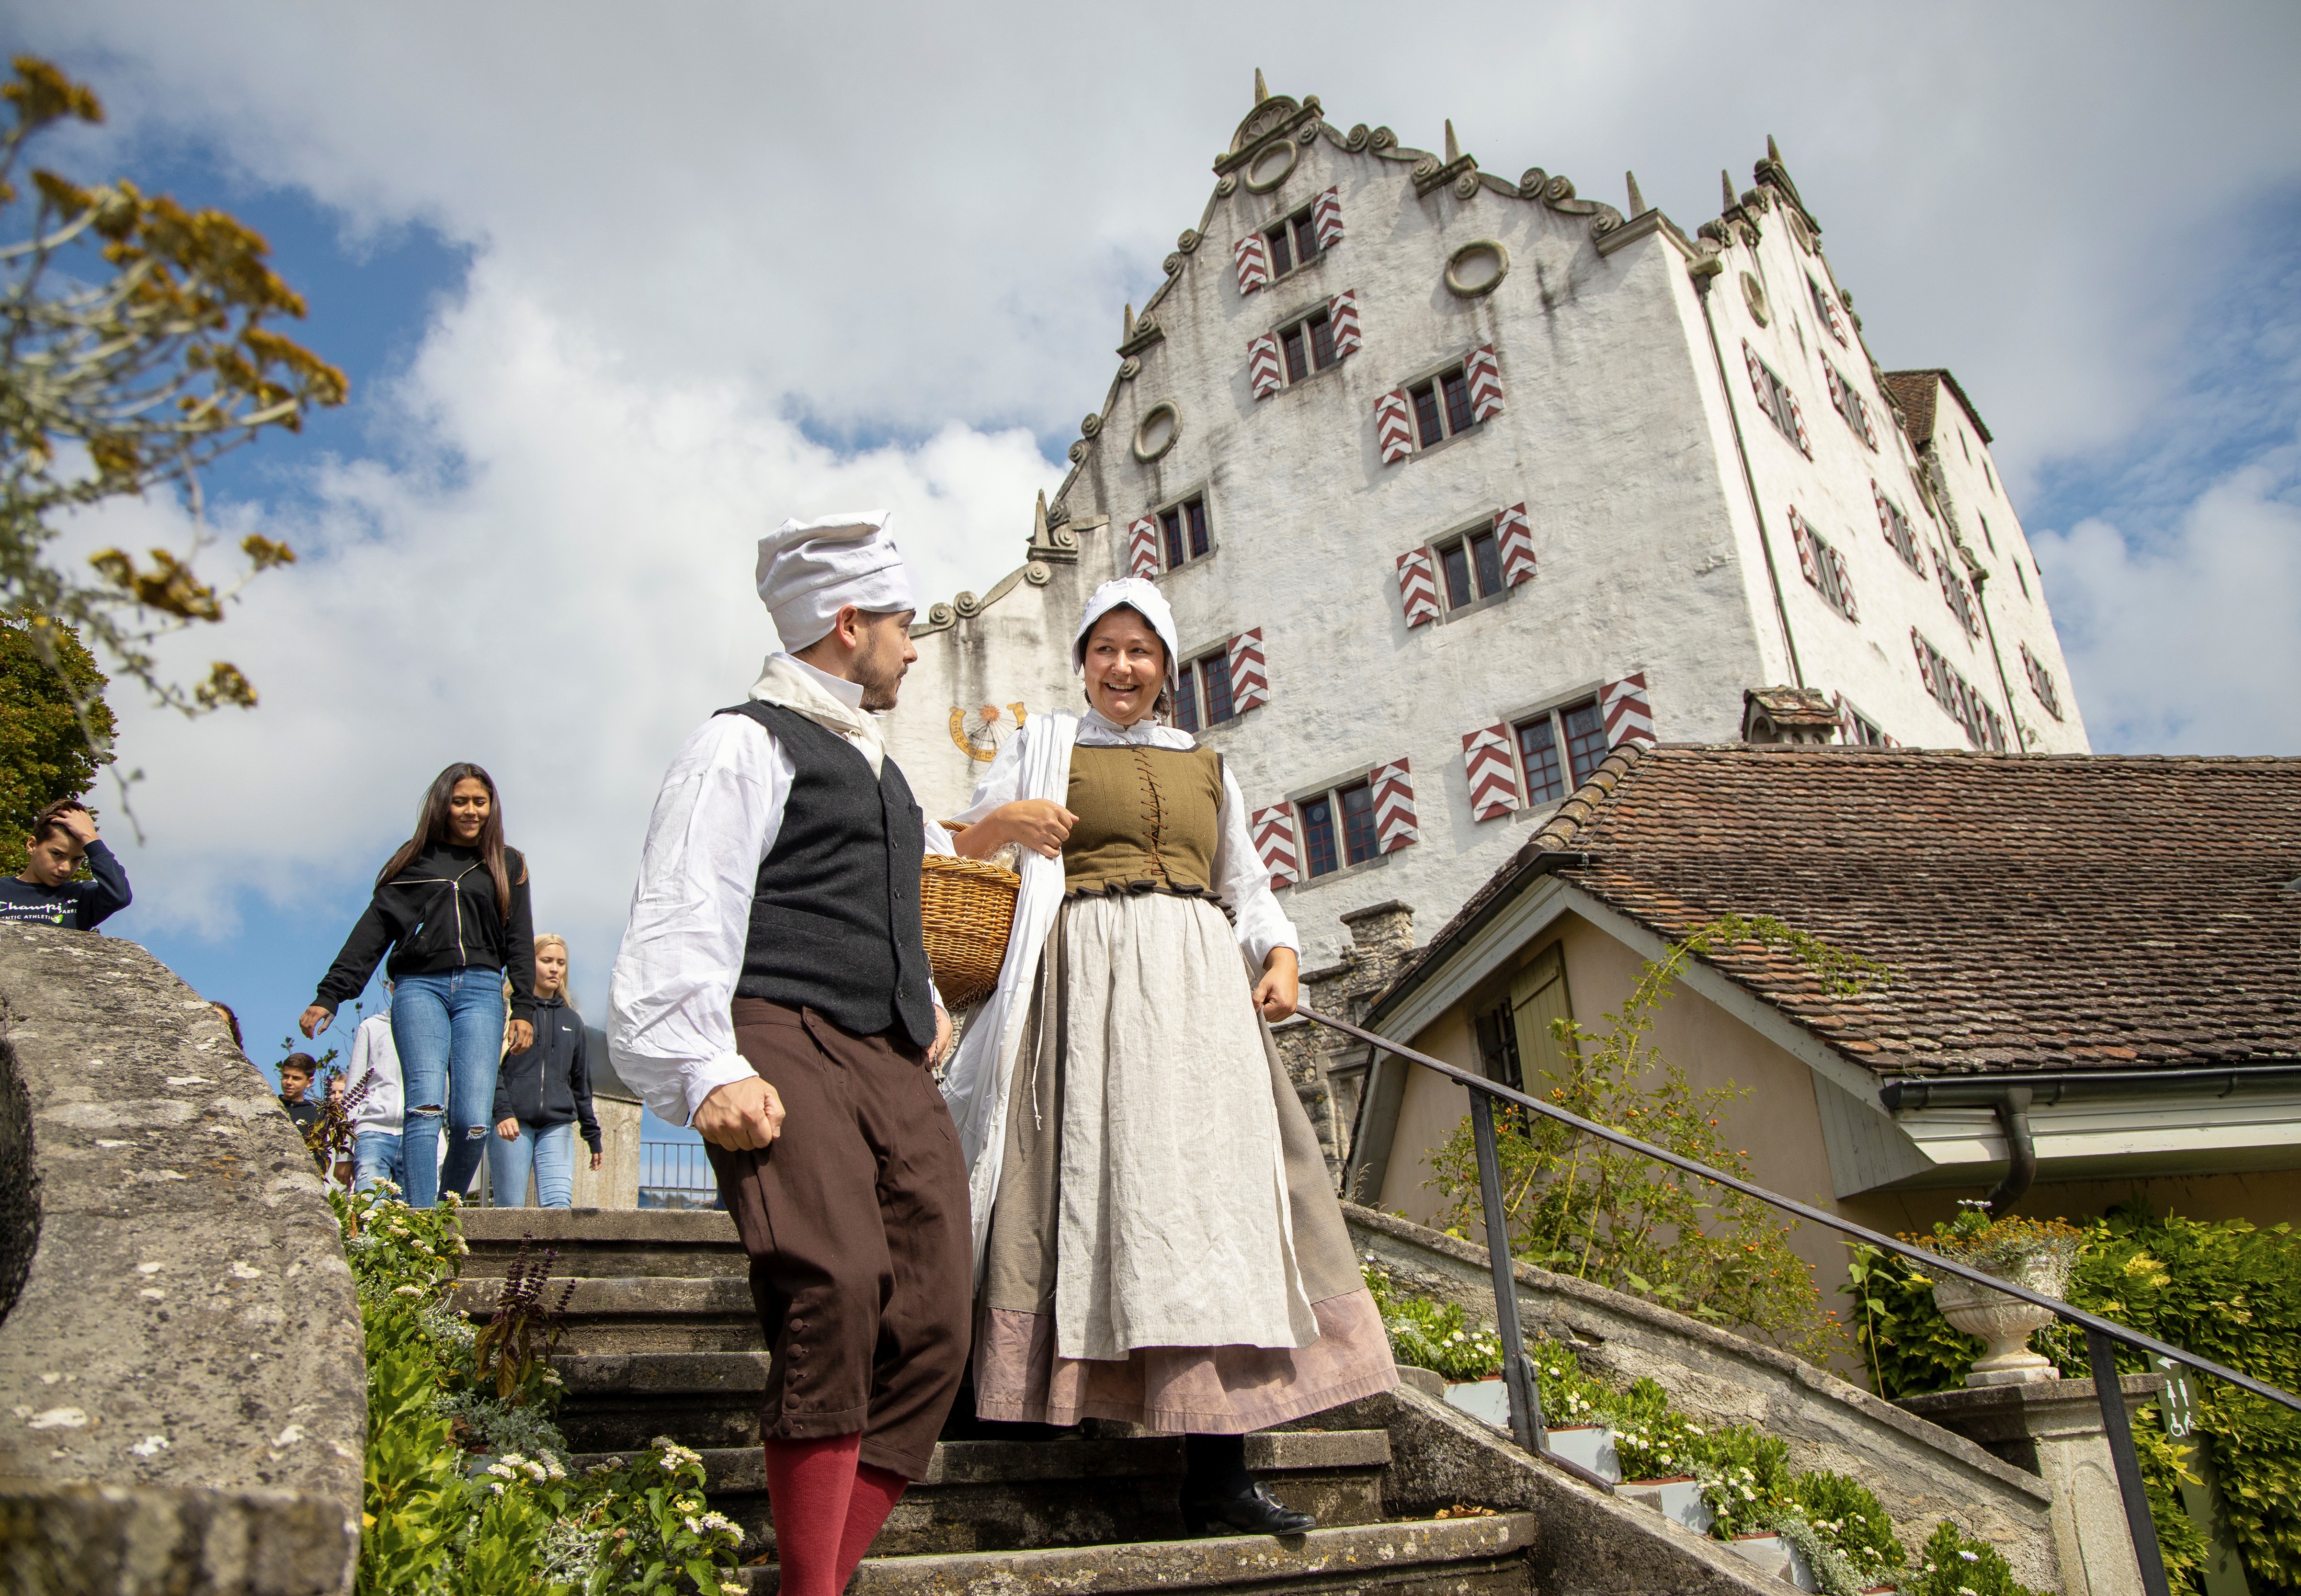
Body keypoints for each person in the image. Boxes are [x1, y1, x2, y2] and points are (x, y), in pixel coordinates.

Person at [942, 577, 1397, 1536]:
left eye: (1139, 651)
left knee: (1209, 1205)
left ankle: (1217, 1470)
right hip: (1084, 985)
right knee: (1076, 1189)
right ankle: (1021, 1409)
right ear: (1081, 662)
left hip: (1196, 997)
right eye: (1103, 649)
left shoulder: (1204, 764)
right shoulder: (1040, 745)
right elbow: (965, 848)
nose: (1120, 667)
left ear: (1166, 669)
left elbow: (1248, 882)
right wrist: (1004, 825)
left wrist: (1278, 952)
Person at [609, 509, 967, 1596]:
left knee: (941, 1315)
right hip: (775, 1031)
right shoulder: (743, 741)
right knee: (837, 1280)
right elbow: (687, 900)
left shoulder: (886, 773)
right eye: (902, 623)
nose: (915, 643)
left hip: (889, 1053)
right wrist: (704, 1065)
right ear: (849, 623)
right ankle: (814, 1590)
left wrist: (926, 993)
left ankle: (806, 1577)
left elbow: (897, 902)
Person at [300, 764, 536, 1208]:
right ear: (443, 804)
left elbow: (520, 940)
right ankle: (419, 1218)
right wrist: (331, 994)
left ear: (492, 806)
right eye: (460, 801)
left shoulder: (508, 863)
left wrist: (523, 1006)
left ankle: (445, 1208)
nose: (471, 811)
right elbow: (371, 932)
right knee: (425, 1106)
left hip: (483, 991)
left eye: (479, 802)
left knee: (472, 1121)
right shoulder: (414, 863)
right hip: (419, 988)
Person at [490, 933, 602, 1208]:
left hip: (558, 1124)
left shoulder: (573, 1021)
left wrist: (593, 1135)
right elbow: (490, 1069)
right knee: (510, 1210)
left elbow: (580, 1083)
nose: (555, 969)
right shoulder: (507, 1012)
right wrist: (502, 1111)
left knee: (558, 1210)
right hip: (512, 1123)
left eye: (561, 963)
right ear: (530, 964)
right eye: (547, 961)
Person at [2, 800, 131, 930]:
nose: (65, 868)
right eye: (57, 854)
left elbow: (119, 896)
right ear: (32, 845)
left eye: (76, 860)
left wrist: (90, 837)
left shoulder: (81, 897)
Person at [342, 989, 407, 1194]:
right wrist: (344, 1154)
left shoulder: (436, 1027)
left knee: (416, 1217)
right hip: (372, 1131)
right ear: (391, 987)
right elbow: (353, 1090)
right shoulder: (371, 1027)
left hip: (418, 1133)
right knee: (369, 1207)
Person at [277, 1052, 325, 1163]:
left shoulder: (317, 1115)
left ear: (309, 1082)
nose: (289, 1082)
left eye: (296, 1078)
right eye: (285, 1076)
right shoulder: (270, 1105)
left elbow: (321, 1156)